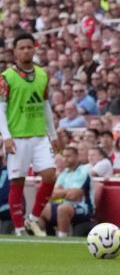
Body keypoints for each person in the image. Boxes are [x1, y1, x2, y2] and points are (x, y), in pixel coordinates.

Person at [0, 33, 60, 236]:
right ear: (15, 51)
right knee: (17, 181)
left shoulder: (42, 75)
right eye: (22, 47)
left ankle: (32, 218)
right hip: (17, 137)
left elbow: (45, 106)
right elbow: (1, 109)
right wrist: (6, 136)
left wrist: (53, 134)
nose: (26, 50)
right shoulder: (6, 77)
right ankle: (19, 229)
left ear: (34, 49)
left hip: (39, 135)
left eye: (29, 47)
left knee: (50, 175)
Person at [35, 146, 94, 237]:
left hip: (83, 207)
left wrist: (61, 192)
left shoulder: (84, 172)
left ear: (77, 156)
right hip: (64, 203)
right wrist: (66, 192)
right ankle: (44, 238)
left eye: (68, 156)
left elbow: (74, 195)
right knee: (42, 207)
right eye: (64, 156)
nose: (65, 159)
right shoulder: (64, 173)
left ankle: (62, 239)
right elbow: (53, 194)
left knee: (63, 209)